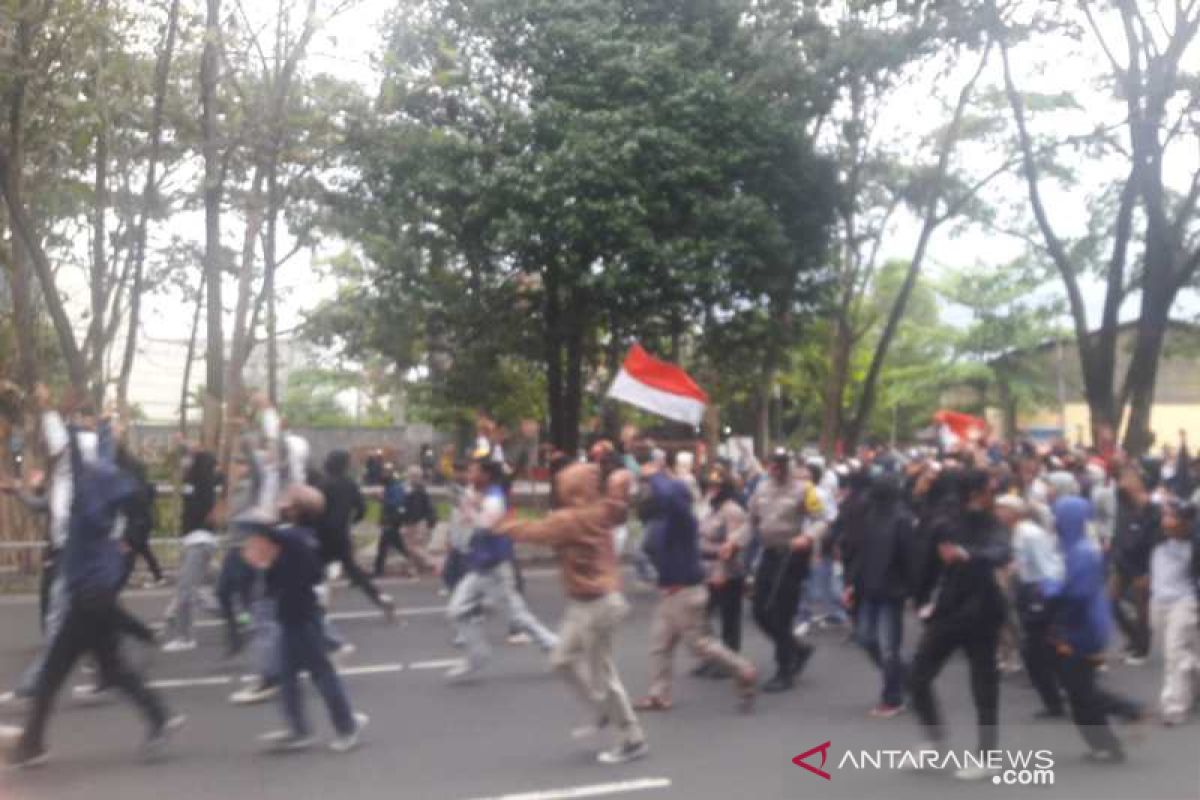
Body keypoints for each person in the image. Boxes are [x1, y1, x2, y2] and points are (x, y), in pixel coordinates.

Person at [8, 416, 184, 767]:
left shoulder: (88, 497)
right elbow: (92, 465)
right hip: (92, 596)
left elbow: (80, 466)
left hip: (87, 599)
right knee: (114, 671)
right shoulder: (99, 486)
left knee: (53, 676)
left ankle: (32, 744)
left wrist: (66, 428)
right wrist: (95, 433)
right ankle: (159, 717)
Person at [499, 463, 648, 765]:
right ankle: (601, 710)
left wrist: (497, 524)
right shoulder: (597, 509)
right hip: (584, 603)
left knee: (603, 675)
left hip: (600, 604)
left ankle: (631, 738)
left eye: (564, 485)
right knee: (561, 660)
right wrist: (619, 489)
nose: (559, 490)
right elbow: (617, 508)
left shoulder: (573, 518)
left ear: (574, 488)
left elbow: (535, 531)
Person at [241, 485, 368, 753]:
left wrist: (259, 512)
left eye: (287, 500)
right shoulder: (300, 537)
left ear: (297, 510)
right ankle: (299, 730)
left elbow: (258, 525)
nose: (281, 502)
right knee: (287, 676)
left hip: (301, 618)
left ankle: (347, 726)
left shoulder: (295, 538)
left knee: (323, 675)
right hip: (291, 616)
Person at [907, 469, 1011, 781]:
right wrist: (920, 598)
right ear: (975, 492)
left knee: (984, 685)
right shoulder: (945, 523)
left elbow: (1001, 552)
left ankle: (988, 755)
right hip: (951, 610)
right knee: (917, 676)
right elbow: (927, 563)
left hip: (983, 612)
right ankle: (935, 740)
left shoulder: (993, 523)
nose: (993, 492)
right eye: (987, 488)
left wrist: (967, 554)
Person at [634, 459, 757, 711]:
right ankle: (659, 694)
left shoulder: (681, 519)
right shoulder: (667, 520)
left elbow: (669, 496)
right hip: (672, 592)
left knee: (701, 645)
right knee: (660, 644)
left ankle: (744, 670)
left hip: (685, 593)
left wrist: (656, 475)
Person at [1045, 495, 1144, 762]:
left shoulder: (1081, 553)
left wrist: (1064, 631)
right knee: (1079, 690)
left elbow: (1076, 596)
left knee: (1081, 691)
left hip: (1081, 629)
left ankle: (1124, 716)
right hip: (1082, 625)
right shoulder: (1077, 548)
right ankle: (1105, 743)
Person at [445, 459, 557, 680]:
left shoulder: (495, 498)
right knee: (456, 610)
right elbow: (467, 519)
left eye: (473, 470)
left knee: (519, 617)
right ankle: (478, 655)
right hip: (479, 567)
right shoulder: (478, 492)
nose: (469, 473)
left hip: (496, 568)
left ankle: (558, 647)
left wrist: (469, 507)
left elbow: (485, 524)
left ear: (486, 476)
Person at [748, 449, 825, 693]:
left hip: (792, 556)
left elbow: (822, 519)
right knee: (759, 611)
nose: (776, 468)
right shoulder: (761, 488)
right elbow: (751, 522)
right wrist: (734, 543)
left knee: (781, 613)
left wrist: (808, 536)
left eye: (781, 464)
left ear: (789, 465)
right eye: (773, 463)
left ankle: (785, 670)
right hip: (769, 554)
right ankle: (797, 649)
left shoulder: (804, 489)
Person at [843, 475, 913, 718]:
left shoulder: (902, 519)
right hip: (869, 588)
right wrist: (852, 583)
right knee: (865, 638)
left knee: (889, 647)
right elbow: (861, 553)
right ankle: (906, 677)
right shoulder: (871, 516)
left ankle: (893, 697)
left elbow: (909, 557)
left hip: (891, 590)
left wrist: (911, 590)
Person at [995, 493, 1065, 720]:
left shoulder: (1029, 533)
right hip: (1028, 590)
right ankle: (1054, 696)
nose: (997, 513)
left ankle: (1056, 696)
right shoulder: (1017, 533)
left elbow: (1048, 566)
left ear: (1013, 512)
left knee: (1035, 648)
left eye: (1001, 509)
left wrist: (1044, 596)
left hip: (1038, 592)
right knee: (1038, 647)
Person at [315, 450, 395, 621]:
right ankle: (381, 598)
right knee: (354, 571)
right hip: (341, 534)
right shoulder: (350, 484)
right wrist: (350, 522)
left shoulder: (323, 484)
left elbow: (315, 509)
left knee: (316, 572)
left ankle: (319, 610)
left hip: (322, 534)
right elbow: (362, 509)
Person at [161, 445, 220, 652]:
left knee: (186, 590)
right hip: (193, 542)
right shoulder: (193, 482)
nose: (183, 464)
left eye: (186, 460)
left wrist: (191, 449)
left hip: (200, 542)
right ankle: (233, 611)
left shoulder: (203, 481)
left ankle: (185, 638)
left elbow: (205, 458)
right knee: (195, 589)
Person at [1150, 498, 1200, 725]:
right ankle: (1193, 690)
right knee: (1187, 653)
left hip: (1185, 601)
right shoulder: (1154, 538)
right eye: (1165, 516)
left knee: (1175, 653)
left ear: (1187, 523)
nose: (1167, 522)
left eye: (1173, 517)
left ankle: (1174, 707)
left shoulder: (1196, 545)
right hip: (1158, 601)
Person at [696, 466, 750, 674]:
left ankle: (730, 660)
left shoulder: (732, 510)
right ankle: (713, 656)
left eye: (717, 486)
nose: (713, 490)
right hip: (704, 568)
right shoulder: (708, 507)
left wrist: (721, 571)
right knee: (702, 616)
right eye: (710, 486)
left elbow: (733, 545)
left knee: (730, 618)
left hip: (726, 570)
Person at [1110, 463, 1158, 665]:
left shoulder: (1152, 508)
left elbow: (1152, 538)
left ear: (1138, 483)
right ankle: (1133, 636)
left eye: (1128, 478)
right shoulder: (1122, 502)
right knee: (1110, 601)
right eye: (1122, 478)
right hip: (1121, 559)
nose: (1123, 482)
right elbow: (1119, 529)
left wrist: (1149, 570)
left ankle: (1142, 649)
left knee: (1142, 608)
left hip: (1141, 563)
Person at [117, 448, 163, 588]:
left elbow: (130, 505)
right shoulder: (142, 485)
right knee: (142, 548)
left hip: (136, 522)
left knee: (130, 549)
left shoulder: (133, 486)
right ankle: (158, 575)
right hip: (142, 521)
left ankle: (123, 578)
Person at [399, 465, 438, 574]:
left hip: (416, 521)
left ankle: (431, 561)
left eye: (415, 475)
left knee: (413, 546)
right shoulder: (412, 488)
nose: (413, 477)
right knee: (410, 546)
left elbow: (418, 506)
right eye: (412, 475)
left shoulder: (417, 490)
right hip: (411, 520)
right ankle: (413, 567)